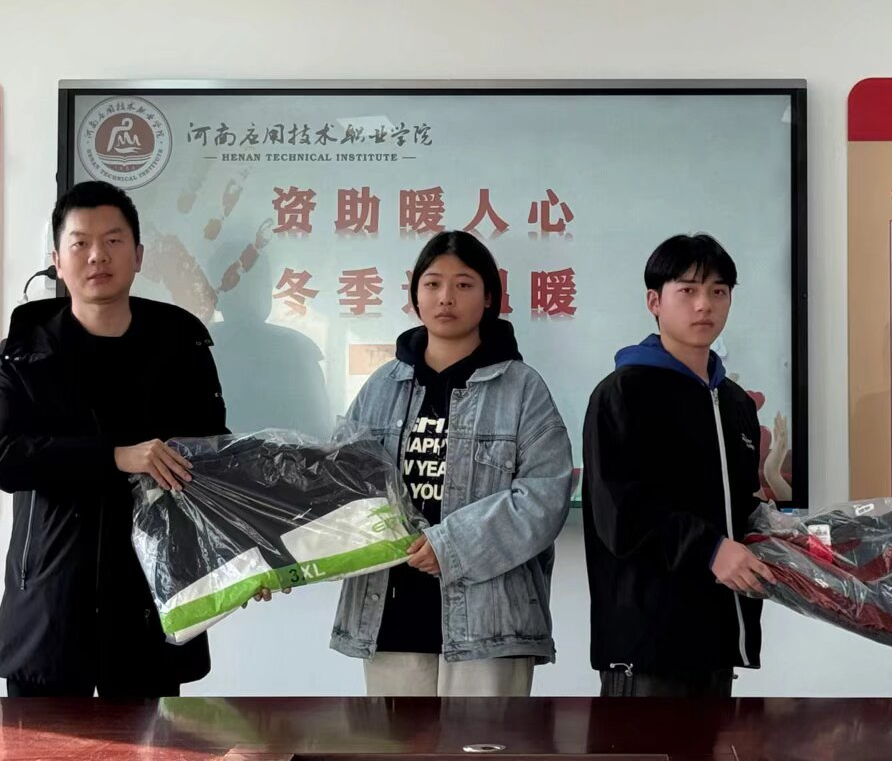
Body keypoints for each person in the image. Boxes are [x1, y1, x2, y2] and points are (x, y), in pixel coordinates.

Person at [0, 180, 242, 698]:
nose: (97, 255)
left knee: (152, 739)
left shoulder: (180, 346)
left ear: (138, 255)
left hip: (151, 597)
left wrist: (244, 560)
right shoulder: (25, 352)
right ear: (57, 261)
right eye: (80, 243)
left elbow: (212, 464)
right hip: (51, 603)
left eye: (114, 241)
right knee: (43, 743)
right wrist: (117, 456)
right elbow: (2, 458)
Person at [330, 230, 574, 696]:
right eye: (433, 284)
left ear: (488, 297)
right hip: (390, 614)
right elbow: (341, 485)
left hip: (490, 623)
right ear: (415, 295)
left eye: (463, 285)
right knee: (392, 740)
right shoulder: (381, 386)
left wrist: (450, 545)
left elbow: (543, 497)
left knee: (486, 738)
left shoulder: (523, 388)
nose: (446, 297)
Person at [582, 233, 769, 697]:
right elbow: (619, 513)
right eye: (687, 290)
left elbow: (740, 506)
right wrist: (710, 548)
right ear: (655, 301)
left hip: (718, 640)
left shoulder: (736, 403)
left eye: (718, 291)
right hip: (646, 644)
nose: (704, 305)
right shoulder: (622, 394)